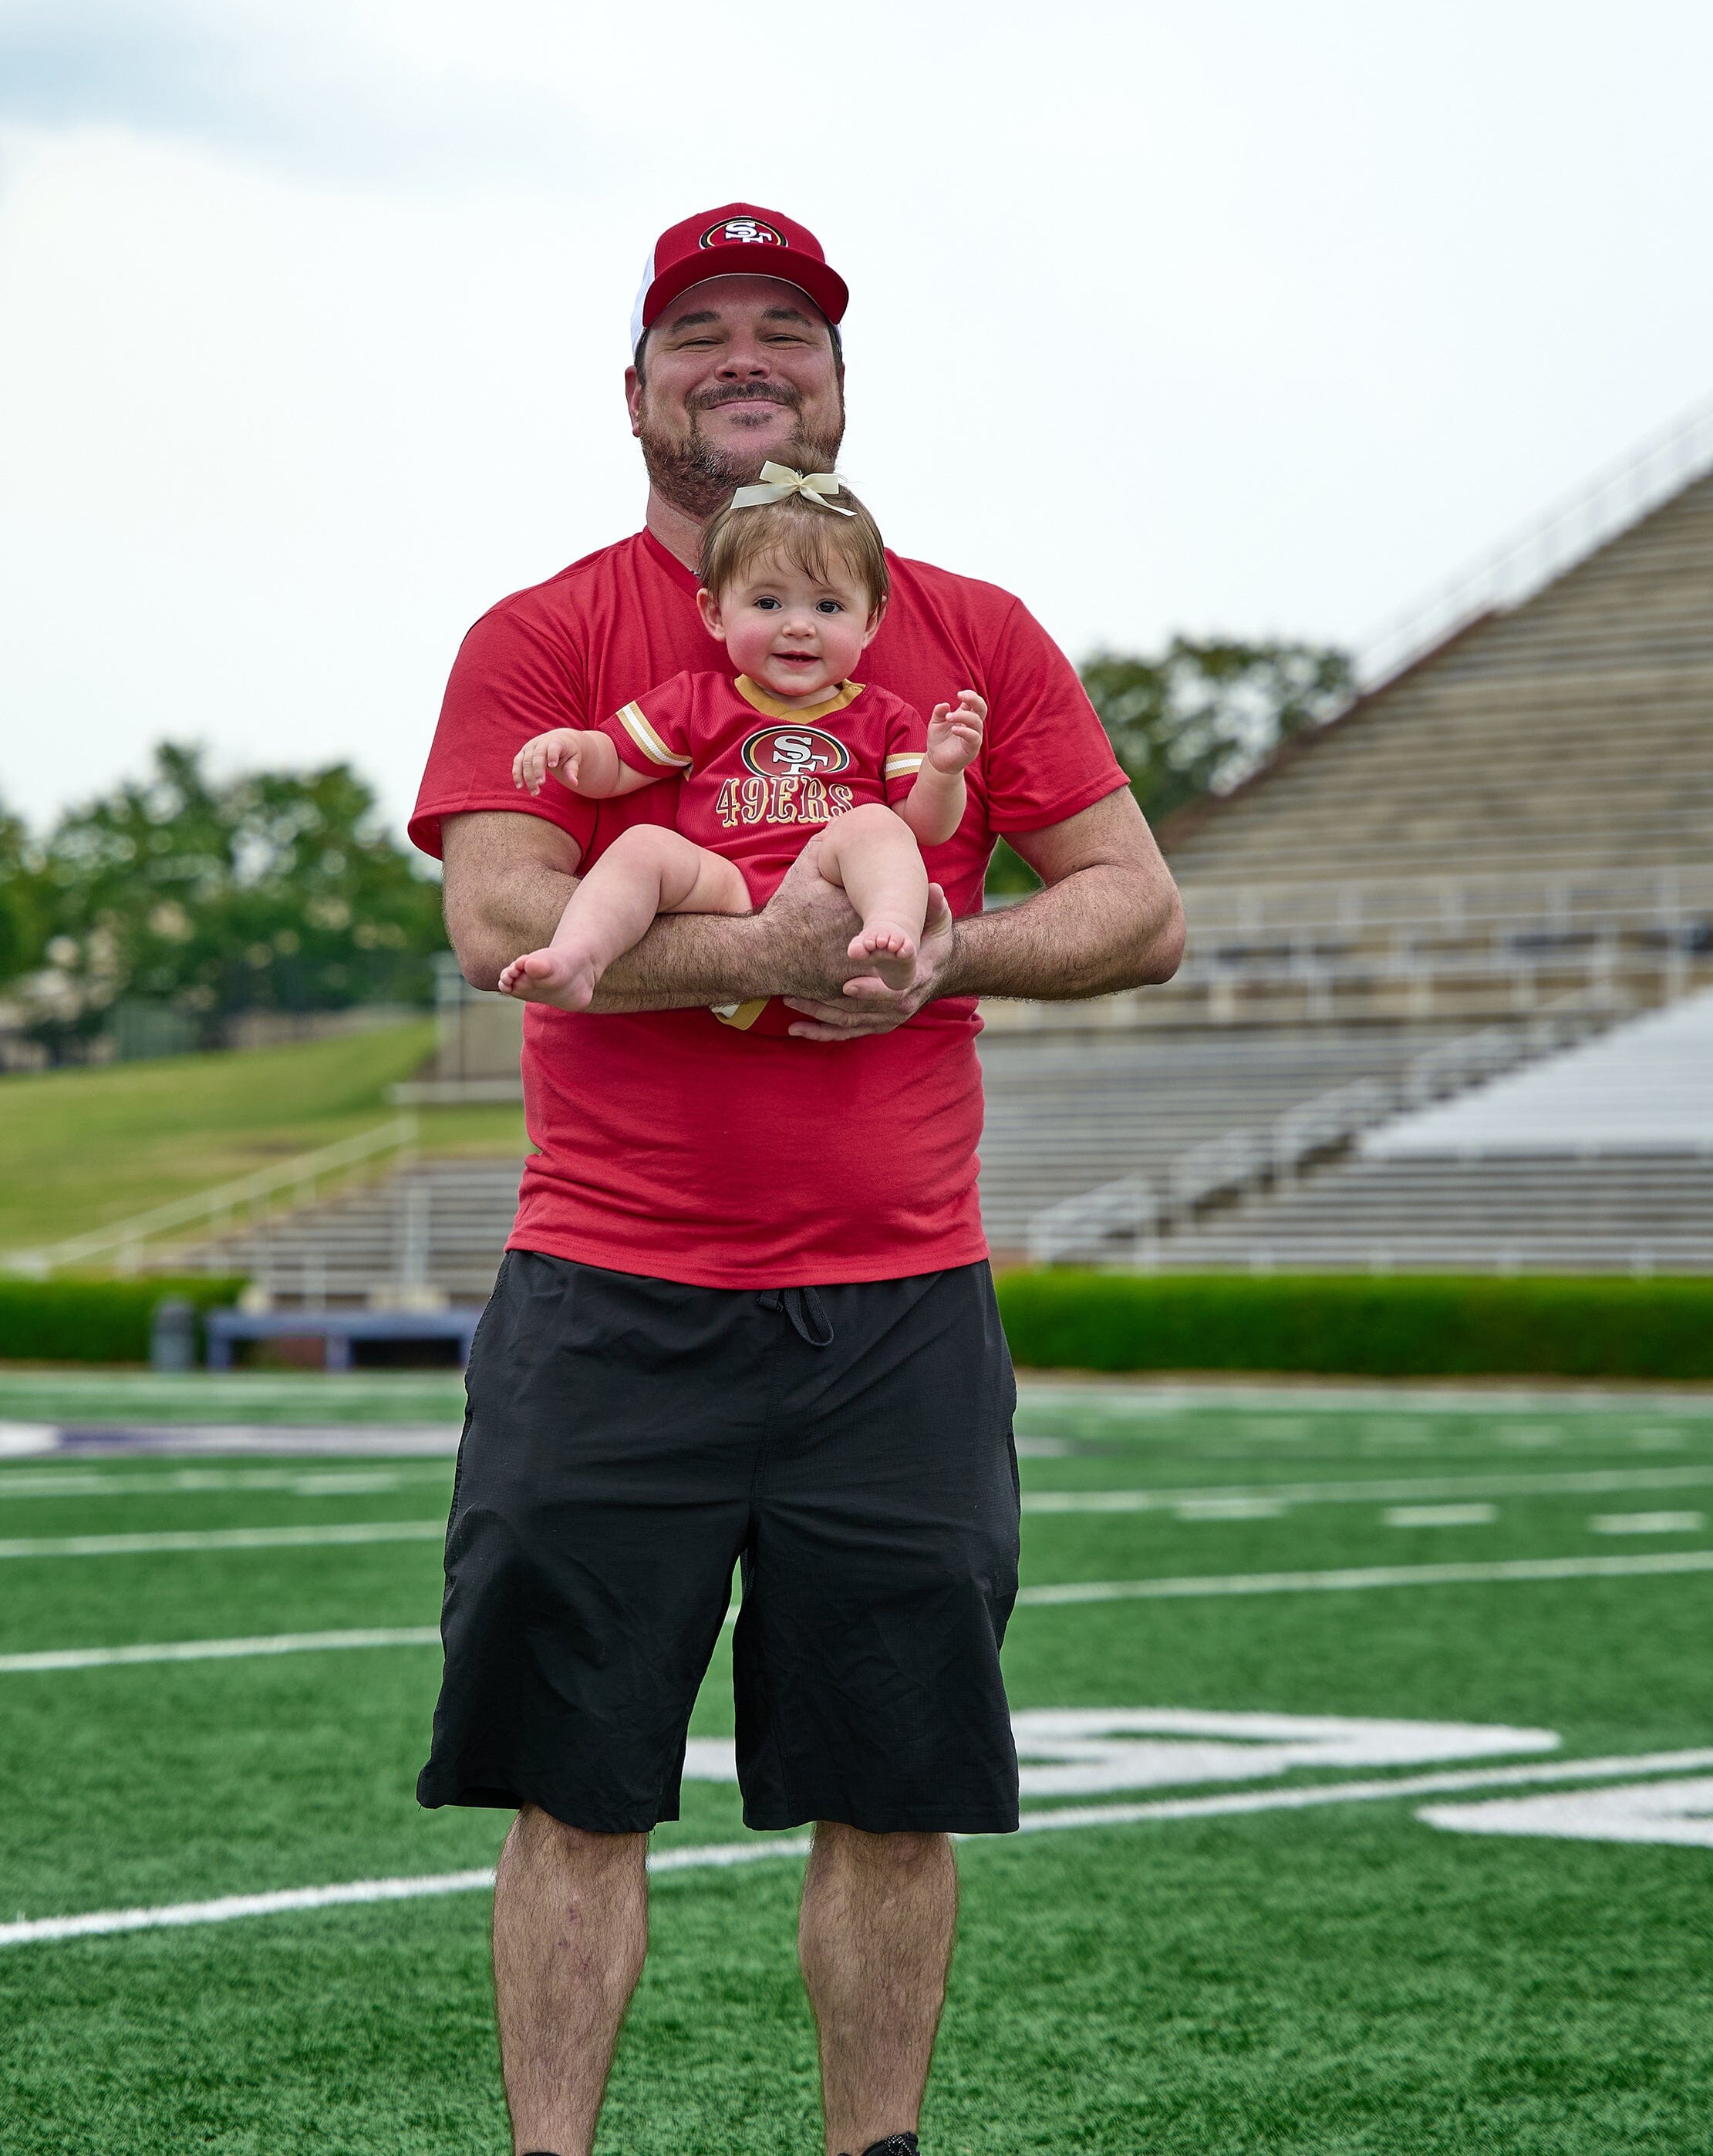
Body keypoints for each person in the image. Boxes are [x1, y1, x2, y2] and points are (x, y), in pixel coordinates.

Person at [409, 203, 1185, 2156]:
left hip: (895, 1298)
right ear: (636, 388)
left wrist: (940, 947)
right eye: (701, 333)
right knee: (573, 1780)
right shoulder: (545, 633)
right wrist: (762, 953)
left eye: (787, 332)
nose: (745, 357)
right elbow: (500, 907)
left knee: (893, 1784)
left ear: (839, 382)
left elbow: (1133, 907)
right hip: (609, 1290)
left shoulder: (970, 630)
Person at [498, 470, 986, 1009]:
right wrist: (574, 747)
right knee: (642, 846)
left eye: (828, 607)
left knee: (877, 825)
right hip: (722, 887)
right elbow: (613, 766)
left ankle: (892, 937)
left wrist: (944, 771)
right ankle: (578, 958)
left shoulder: (883, 714)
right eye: (768, 603)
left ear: (869, 622)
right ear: (715, 614)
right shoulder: (698, 701)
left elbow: (927, 828)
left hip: (836, 883)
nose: (799, 626)